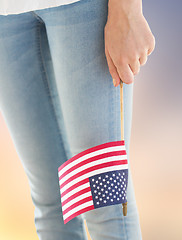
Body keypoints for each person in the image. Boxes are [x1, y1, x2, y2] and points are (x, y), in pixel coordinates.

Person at [0, 0, 155, 239]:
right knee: (52, 205)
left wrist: (128, 11)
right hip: (5, 15)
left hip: (81, 6)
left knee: (105, 202)